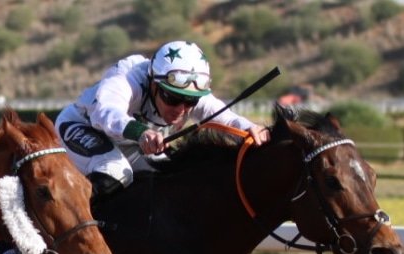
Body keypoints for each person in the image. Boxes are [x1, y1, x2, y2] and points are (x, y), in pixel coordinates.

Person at [54, 40, 270, 201]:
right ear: (155, 84)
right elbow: (106, 113)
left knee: (173, 175)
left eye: (191, 102)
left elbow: (226, 117)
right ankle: (64, 233)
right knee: (116, 172)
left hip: (127, 143)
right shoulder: (129, 76)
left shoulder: (185, 93)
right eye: (173, 98)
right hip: (80, 126)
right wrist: (141, 132)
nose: (181, 110)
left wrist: (250, 128)